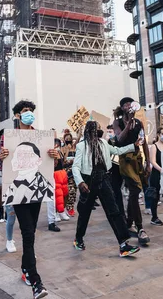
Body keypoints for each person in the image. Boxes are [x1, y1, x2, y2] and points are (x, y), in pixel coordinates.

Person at [0, 99, 60, 299]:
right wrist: (3, 155)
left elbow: (52, 159)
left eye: (31, 111)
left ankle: (25, 268)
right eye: (25, 111)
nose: (29, 114)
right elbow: (4, 164)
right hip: (17, 192)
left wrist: (54, 154)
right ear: (17, 115)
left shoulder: (40, 136)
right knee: (27, 232)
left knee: (30, 231)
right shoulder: (9, 138)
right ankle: (35, 281)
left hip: (36, 192)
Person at [71, 121, 141, 256]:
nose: (99, 130)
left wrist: (133, 145)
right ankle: (78, 239)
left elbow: (117, 151)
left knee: (114, 211)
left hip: (104, 179)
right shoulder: (81, 146)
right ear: (89, 130)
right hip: (88, 181)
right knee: (85, 213)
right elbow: (75, 166)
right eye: (96, 128)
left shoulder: (104, 143)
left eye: (99, 128)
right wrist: (80, 182)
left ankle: (123, 245)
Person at [113, 97, 152, 246]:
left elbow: (144, 143)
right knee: (135, 189)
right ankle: (140, 228)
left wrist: (148, 162)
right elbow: (120, 139)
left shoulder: (139, 123)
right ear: (122, 108)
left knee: (135, 193)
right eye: (126, 104)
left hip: (137, 159)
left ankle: (129, 221)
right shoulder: (118, 122)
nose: (129, 106)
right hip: (125, 159)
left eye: (131, 104)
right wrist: (128, 122)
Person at [48, 138, 70, 232]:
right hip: (55, 175)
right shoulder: (50, 153)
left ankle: (62, 211)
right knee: (57, 196)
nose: (57, 146)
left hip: (62, 174)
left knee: (65, 194)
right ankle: (55, 214)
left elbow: (62, 163)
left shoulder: (59, 153)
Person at [62, 131, 78, 217]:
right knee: (68, 191)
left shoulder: (75, 148)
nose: (68, 140)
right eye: (67, 139)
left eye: (70, 139)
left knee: (74, 190)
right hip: (66, 173)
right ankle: (66, 208)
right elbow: (62, 162)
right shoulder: (62, 149)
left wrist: (79, 132)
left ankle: (70, 207)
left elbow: (78, 138)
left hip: (75, 172)